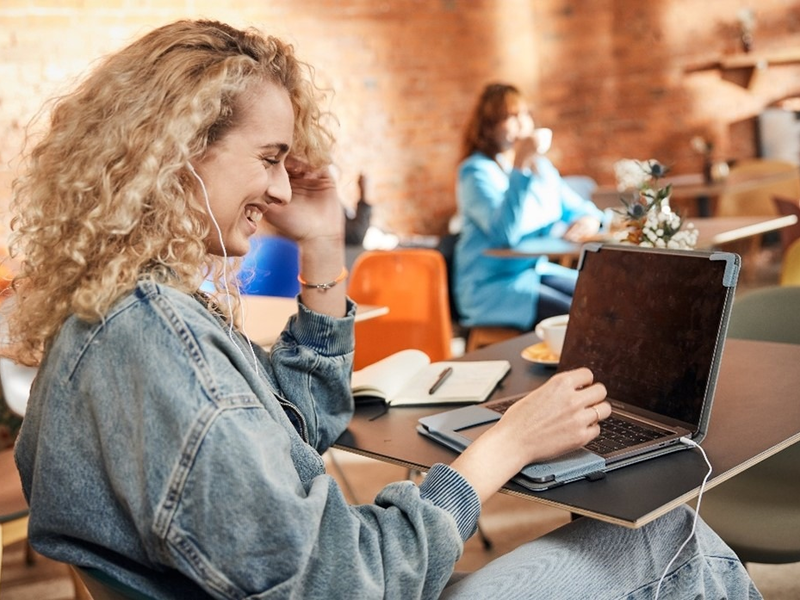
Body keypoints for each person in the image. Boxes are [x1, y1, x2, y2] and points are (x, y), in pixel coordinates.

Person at [5, 19, 759, 600]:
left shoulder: (113, 322)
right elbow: (354, 579)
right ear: (176, 152)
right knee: (667, 543)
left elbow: (287, 438)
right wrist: (504, 447)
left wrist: (325, 251)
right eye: (268, 158)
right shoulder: (157, 343)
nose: (277, 191)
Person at [453, 83, 605, 331]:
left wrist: (589, 219)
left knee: (599, 295)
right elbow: (504, 233)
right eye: (510, 117)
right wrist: (520, 164)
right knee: (580, 315)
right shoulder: (475, 172)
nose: (521, 123)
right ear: (488, 128)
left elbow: (578, 207)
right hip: (491, 287)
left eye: (524, 114)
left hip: (531, 271)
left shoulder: (541, 167)